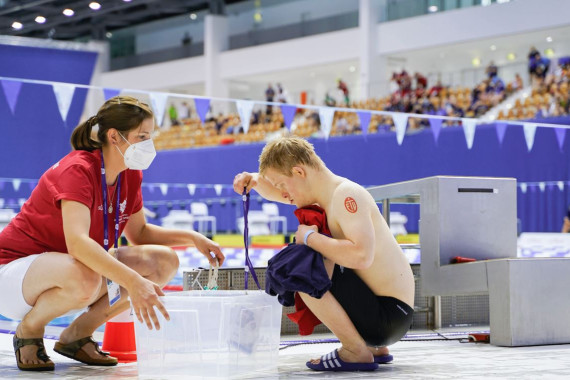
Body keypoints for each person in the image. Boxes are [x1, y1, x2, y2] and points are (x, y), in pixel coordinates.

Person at [0, 96, 224, 371]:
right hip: (15, 274)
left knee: (164, 262)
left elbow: (139, 233)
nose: (148, 144)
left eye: (149, 136)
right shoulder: (77, 170)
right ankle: (29, 329)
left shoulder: (129, 174)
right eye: (142, 136)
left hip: (71, 274)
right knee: (86, 273)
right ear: (115, 137)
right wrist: (132, 280)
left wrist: (192, 238)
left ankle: (77, 335)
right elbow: (79, 245)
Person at [233, 136, 414, 372]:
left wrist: (309, 237)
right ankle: (372, 347)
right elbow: (278, 193)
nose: (284, 195)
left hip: (389, 316)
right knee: (310, 259)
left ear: (299, 172)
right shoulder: (325, 198)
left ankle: (354, 350)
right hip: (386, 319)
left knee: (296, 269)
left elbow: (361, 256)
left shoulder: (346, 195)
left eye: (282, 185)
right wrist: (255, 180)